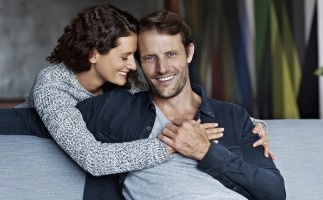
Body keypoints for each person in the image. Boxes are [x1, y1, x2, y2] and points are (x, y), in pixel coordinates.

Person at [0, 4, 273, 199]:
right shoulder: (53, 86)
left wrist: (253, 124)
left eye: (136, 56)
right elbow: (94, 159)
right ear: (95, 55)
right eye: (127, 56)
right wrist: (172, 144)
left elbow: (166, 99)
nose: (134, 66)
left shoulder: (122, 84)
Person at [73, 10, 285, 200]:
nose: (162, 68)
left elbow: (275, 192)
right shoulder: (115, 107)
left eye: (171, 54)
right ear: (139, 63)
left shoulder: (232, 116)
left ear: (189, 53)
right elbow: (46, 120)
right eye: (149, 58)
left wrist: (206, 152)